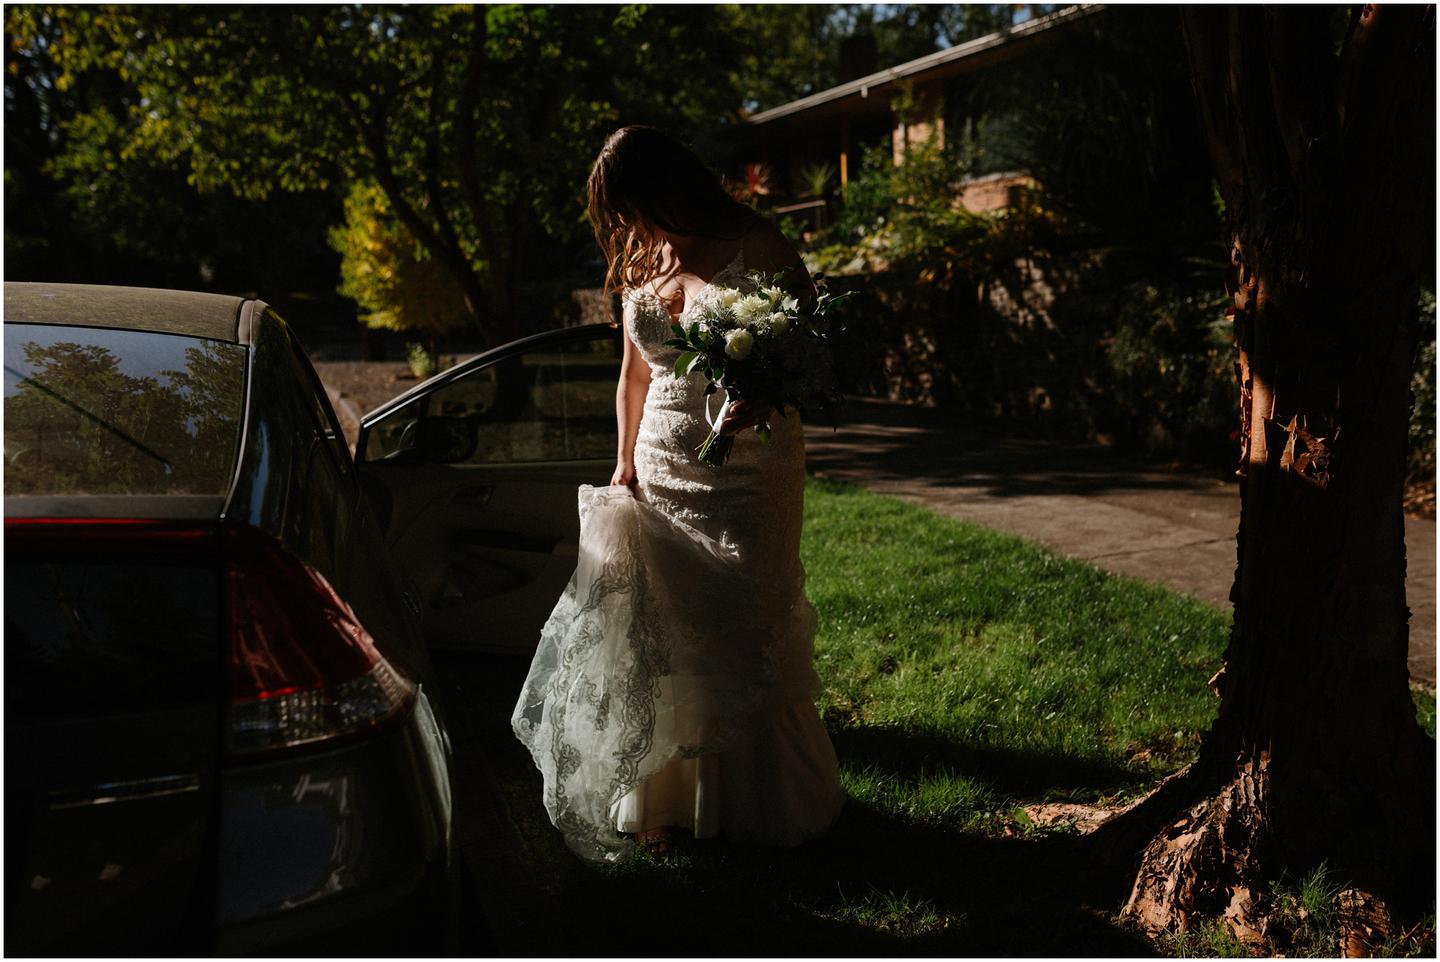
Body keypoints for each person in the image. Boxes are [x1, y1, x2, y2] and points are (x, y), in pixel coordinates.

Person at [511, 125, 843, 861]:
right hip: (661, 460)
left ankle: (759, 802)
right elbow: (633, 374)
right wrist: (622, 458)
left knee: (743, 616)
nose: (627, 226)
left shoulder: (759, 245)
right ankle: (666, 799)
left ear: (669, 187)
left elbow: (813, 358)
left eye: (632, 206)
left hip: (747, 467)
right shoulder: (645, 254)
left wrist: (767, 393)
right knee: (665, 625)